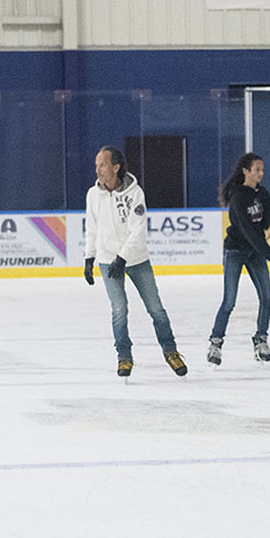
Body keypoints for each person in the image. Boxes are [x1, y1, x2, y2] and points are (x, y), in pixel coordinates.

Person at [83, 146, 187, 378]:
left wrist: (123, 258)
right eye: (96, 164)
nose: (97, 169)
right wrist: (89, 257)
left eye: (102, 164)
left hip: (137, 260)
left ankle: (170, 351)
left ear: (116, 167)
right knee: (119, 310)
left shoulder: (135, 193)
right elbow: (92, 227)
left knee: (156, 309)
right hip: (108, 259)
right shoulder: (93, 194)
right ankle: (124, 357)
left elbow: (137, 231)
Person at [207, 153, 270, 366]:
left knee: (266, 298)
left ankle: (261, 342)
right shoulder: (238, 197)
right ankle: (215, 344)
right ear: (245, 171)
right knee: (229, 300)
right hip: (236, 250)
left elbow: (268, 219)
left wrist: (265, 201)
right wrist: (268, 252)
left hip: (255, 251)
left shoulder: (261, 193)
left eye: (262, 169)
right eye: (257, 169)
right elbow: (248, 230)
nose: (261, 173)